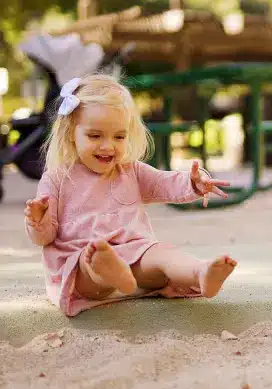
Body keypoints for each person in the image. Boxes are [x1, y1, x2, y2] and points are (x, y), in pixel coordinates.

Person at [24, 74, 237, 316]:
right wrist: (37, 221)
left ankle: (200, 272)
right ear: (71, 132)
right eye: (95, 136)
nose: (108, 146)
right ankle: (109, 271)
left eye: (119, 136)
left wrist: (194, 183)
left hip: (136, 262)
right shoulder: (57, 178)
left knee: (162, 252)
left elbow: (164, 183)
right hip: (83, 267)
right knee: (90, 260)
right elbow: (45, 236)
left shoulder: (131, 171)